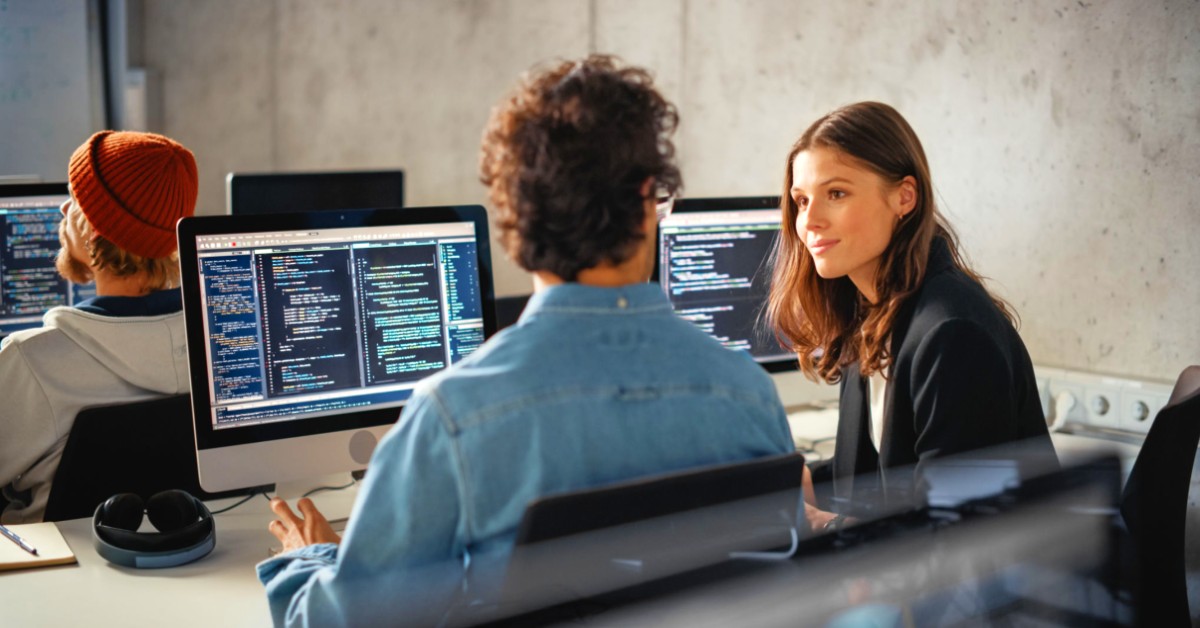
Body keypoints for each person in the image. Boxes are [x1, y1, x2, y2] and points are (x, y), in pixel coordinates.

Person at [258, 55, 796, 626]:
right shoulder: (749, 395)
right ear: (647, 203)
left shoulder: (454, 417)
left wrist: (308, 561)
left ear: (514, 218)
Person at [765, 102, 1055, 521]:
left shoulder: (952, 334)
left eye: (837, 194)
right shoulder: (872, 314)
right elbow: (877, 477)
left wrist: (815, 523)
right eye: (801, 200)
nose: (810, 221)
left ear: (904, 197)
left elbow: (954, 536)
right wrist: (799, 483)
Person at [0, 131, 198, 523]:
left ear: (93, 229)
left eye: (75, 201)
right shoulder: (222, 346)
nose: (63, 210)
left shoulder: (28, 361)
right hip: (190, 563)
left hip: (52, 575)